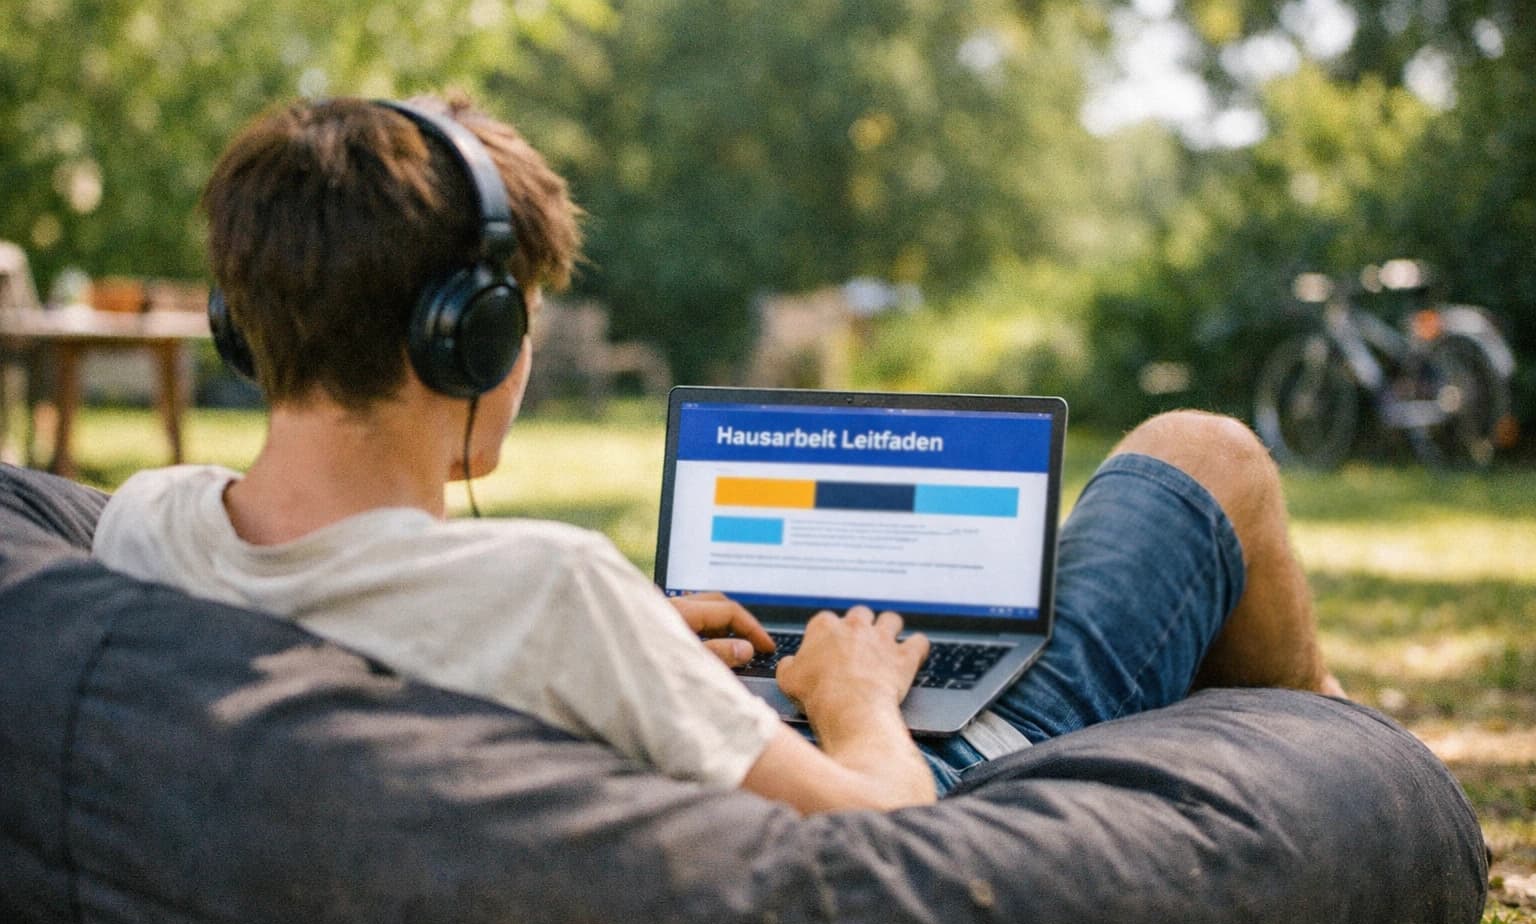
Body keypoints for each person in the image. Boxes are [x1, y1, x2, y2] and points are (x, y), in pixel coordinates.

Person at [92, 94, 1340, 817]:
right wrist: (853, 695)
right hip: (910, 760)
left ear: (239, 325)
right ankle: (1342, 754)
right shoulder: (550, 594)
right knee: (1206, 453)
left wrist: (637, 639)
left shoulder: (141, 526)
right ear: (470, 341)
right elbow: (891, 832)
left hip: (680, 701)